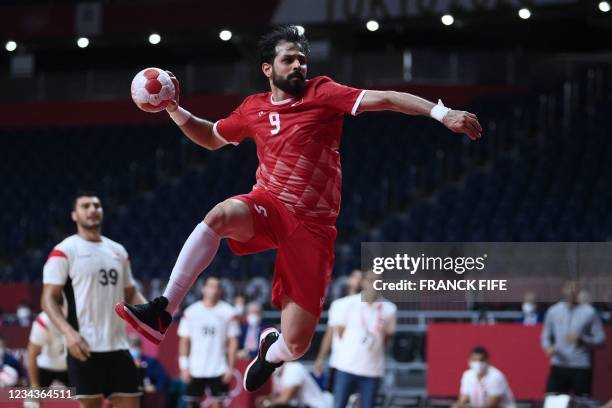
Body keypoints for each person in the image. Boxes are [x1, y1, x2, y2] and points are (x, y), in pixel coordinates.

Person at [116, 25, 482, 392]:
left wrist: (441, 113)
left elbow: (384, 98)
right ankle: (164, 309)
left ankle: (271, 353)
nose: (298, 66)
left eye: (302, 60)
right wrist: (174, 109)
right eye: (288, 59)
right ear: (267, 69)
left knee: (297, 343)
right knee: (220, 216)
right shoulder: (252, 109)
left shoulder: (322, 92)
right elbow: (211, 137)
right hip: (268, 204)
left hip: (313, 228)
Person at [41, 191, 147, 407]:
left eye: (97, 205)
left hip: (118, 346)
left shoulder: (118, 250)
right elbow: (48, 299)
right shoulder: (64, 250)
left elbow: (130, 293)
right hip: (84, 347)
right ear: (74, 215)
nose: (92, 210)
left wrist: (151, 312)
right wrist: (69, 334)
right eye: (86, 206)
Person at [332, 271, 397, 408]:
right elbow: (340, 333)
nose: (374, 284)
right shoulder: (347, 303)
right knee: (339, 405)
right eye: (370, 280)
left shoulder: (390, 309)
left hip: (372, 369)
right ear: (363, 282)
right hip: (346, 366)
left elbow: (388, 337)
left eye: (378, 280)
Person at [177, 276, 240, 408]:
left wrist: (231, 367)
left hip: (219, 368)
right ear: (203, 289)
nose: (214, 290)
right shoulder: (191, 312)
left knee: (219, 403)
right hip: (195, 367)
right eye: (211, 286)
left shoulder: (228, 312)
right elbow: (184, 341)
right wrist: (184, 366)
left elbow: (233, 341)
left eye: (217, 287)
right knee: (192, 403)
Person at [541, 280, 606, 398]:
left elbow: (601, 339)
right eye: (568, 288)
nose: (571, 292)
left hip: (581, 365)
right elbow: (545, 336)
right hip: (559, 364)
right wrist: (548, 347)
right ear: (562, 290)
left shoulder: (589, 312)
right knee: (553, 401)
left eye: (575, 289)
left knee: (583, 403)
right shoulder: (553, 311)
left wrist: (582, 339)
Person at [313, 269, 363, 391]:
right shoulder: (338, 304)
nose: (358, 280)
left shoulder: (368, 305)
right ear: (349, 279)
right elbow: (330, 334)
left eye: (361, 278)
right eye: (355, 276)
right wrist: (321, 358)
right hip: (339, 361)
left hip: (361, 362)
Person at [26, 306, 69, 388]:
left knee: (88, 397)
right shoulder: (44, 319)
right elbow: (32, 354)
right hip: (45, 365)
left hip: (71, 366)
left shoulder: (79, 317)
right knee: (31, 399)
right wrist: (34, 385)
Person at [257, 361, 333, 408]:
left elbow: (285, 399)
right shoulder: (276, 373)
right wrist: (266, 398)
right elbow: (277, 396)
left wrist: (267, 403)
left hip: (315, 405)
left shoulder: (293, 368)